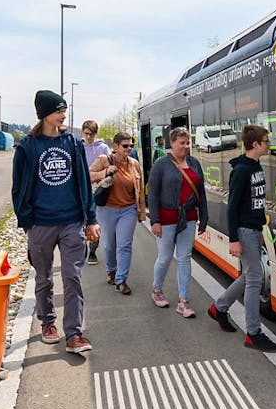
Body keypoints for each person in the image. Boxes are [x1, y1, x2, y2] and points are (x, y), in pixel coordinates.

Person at [11, 90, 99, 354]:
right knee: (44, 278)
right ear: (46, 115)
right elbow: (18, 188)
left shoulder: (72, 144)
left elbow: (83, 180)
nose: (64, 114)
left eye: (65, 109)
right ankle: (48, 323)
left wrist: (91, 218)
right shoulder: (28, 147)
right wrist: (27, 222)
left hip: (72, 221)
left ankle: (74, 333)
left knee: (72, 276)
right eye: (59, 110)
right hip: (41, 224)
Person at [207, 125, 276, 352]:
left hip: (256, 229)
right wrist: (233, 239)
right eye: (266, 141)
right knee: (255, 279)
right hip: (245, 231)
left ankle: (219, 307)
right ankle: (253, 333)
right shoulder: (241, 171)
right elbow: (232, 207)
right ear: (255, 144)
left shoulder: (255, 165)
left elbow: (254, 202)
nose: (269, 145)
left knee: (250, 276)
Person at [148, 127, 210, 318]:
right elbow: (153, 194)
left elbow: (201, 192)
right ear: (172, 143)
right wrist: (155, 221)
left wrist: (204, 217)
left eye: (187, 142)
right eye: (181, 143)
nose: (185, 146)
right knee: (165, 256)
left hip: (189, 218)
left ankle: (183, 301)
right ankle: (157, 290)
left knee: (184, 257)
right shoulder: (161, 164)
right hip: (166, 219)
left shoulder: (194, 163)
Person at [89, 132, 146, 295]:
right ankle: (111, 270)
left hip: (128, 209)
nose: (129, 149)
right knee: (109, 245)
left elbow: (140, 189)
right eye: (125, 146)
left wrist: (141, 212)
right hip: (107, 209)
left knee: (125, 245)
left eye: (131, 146)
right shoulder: (103, 160)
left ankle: (121, 280)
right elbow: (88, 175)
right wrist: (105, 172)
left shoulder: (134, 164)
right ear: (115, 146)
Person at [81, 120, 111, 265]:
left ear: (95, 134)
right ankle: (81, 247)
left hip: (97, 187)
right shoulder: (79, 147)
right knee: (81, 219)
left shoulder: (103, 148)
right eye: (86, 134)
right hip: (81, 187)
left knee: (94, 219)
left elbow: (110, 164)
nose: (88, 137)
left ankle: (92, 250)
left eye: (91, 134)